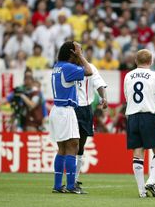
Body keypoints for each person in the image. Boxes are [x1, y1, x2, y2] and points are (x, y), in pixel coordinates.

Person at [49, 41, 92, 194]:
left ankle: (57, 185)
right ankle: (71, 185)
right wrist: (80, 55)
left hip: (57, 109)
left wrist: (78, 54)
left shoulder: (57, 66)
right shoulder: (68, 67)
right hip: (65, 110)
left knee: (62, 148)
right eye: (78, 51)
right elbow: (89, 71)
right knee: (73, 145)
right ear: (72, 53)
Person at [124, 49, 155, 198]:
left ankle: (142, 192)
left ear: (136, 61)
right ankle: (152, 180)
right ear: (151, 61)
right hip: (149, 114)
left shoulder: (128, 76)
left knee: (138, 152)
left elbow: (127, 97)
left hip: (133, 116)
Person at [74, 61, 107, 190]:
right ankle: (69, 180)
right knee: (70, 144)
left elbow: (99, 84)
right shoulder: (67, 67)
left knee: (80, 145)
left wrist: (104, 97)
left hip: (85, 109)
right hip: (70, 108)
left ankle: (75, 178)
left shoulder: (90, 67)